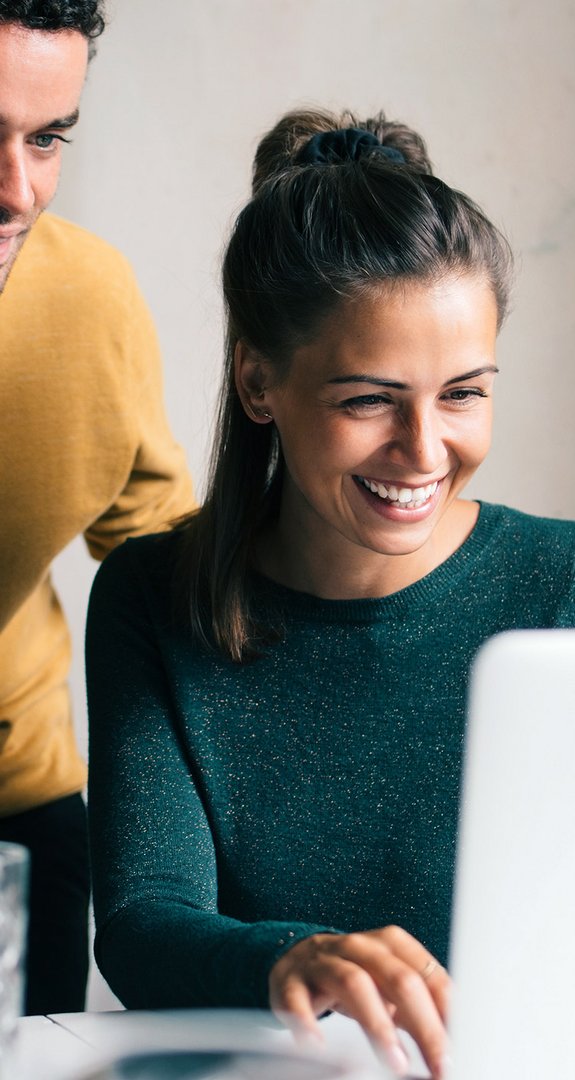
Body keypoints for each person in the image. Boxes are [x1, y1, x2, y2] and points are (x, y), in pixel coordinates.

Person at [86, 109, 575, 1079]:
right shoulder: (152, 596)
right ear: (257, 381)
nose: (425, 451)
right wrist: (292, 960)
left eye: (463, 393)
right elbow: (144, 925)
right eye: (367, 400)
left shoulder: (557, 582)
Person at [0, 1, 194, 1015]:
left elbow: (165, 563)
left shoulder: (91, 296)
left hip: (18, 803)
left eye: (46, 139)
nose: (16, 193)